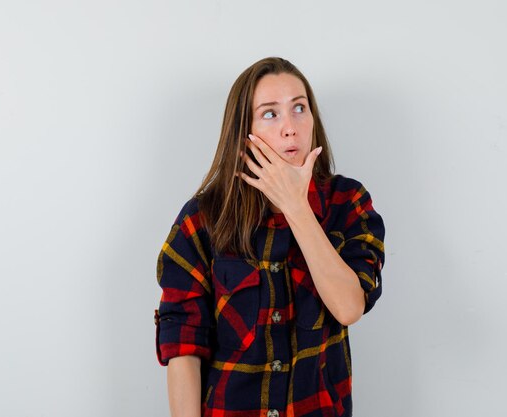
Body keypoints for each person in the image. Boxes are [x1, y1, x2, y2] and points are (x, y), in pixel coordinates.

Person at [154, 57, 385, 417]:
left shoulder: (347, 202)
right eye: (270, 114)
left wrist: (296, 207)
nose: (290, 128)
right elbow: (183, 344)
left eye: (299, 108)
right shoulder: (202, 219)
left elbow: (349, 306)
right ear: (242, 129)